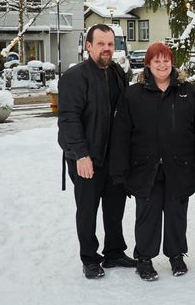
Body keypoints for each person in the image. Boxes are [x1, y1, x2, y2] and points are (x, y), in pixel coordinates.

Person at [110, 42, 195, 281]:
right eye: (156, 60)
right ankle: (144, 258)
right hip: (145, 168)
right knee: (148, 214)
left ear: (172, 62)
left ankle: (176, 254)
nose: (162, 64)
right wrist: (119, 170)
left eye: (166, 59)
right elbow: (121, 134)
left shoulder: (189, 93)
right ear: (148, 64)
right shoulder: (133, 94)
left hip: (180, 167)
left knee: (177, 213)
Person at [57, 24, 135, 279]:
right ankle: (90, 258)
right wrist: (80, 154)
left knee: (115, 209)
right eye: (101, 44)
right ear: (88, 46)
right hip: (86, 158)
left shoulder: (116, 73)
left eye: (110, 44)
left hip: (114, 157)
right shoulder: (75, 77)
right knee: (88, 210)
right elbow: (68, 119)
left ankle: (114, 252)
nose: (106, 49)